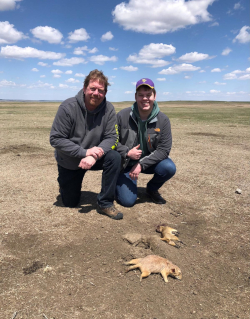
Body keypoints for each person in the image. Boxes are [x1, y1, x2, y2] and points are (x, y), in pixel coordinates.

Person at [50, 69, 123, 220]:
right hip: (71, 159)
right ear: (84, 89)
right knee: (70, 202)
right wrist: (84, 152)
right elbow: (56, 139)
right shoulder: (68, 107)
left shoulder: (108, 109)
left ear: (105, 92)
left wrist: (95, 155)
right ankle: (64, 183)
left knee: (114, 157)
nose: (96, 93)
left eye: (101, 90)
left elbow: (112, 137)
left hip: (94, 156)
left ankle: (105, 203)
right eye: (92, 89)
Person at [115, 78, 176, 207]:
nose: (145, 99)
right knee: (127, 201)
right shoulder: (122, 115)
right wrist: (126, 152)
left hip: (150, 163)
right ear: (135, 96)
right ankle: (118, 183)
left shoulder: (163, 120)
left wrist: (141, 165)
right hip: (126, 163)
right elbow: (112, 140)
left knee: (168, 167)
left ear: (155, 96)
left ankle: (152, 189)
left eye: (148, 95)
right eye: (141, 95)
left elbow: (164, 150)